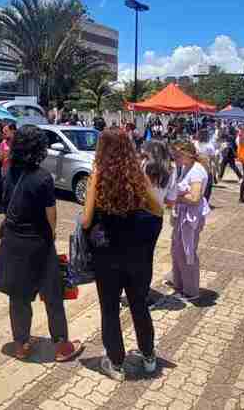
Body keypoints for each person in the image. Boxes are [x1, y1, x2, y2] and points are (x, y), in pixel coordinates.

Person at [0, 125, 85, 362]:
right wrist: (52, 235)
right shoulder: (43, 177)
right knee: (53, 295)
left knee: (19, 296)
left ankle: (21, 344)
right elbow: (50, 214)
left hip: (13, 241)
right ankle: (61, 346)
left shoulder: (10, 171)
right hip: (39, 243)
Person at [84, 129, 165, 381]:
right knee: (139, 304)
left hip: (108, 256)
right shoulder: (137, 177)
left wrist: (95, 181)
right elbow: (158, 211)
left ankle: (116, 364)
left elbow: (86, 221)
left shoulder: (96, 177)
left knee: (109, 308)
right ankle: (149, 357)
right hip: (137, 257)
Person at [166, 140, 209, 301]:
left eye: (177, 155)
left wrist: (177, 196)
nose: (174, 158)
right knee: (177, 249)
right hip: (183, 216)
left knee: (187, 251)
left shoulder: (196, 171)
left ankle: (190, 290)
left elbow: (195, 198)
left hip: (190, 218)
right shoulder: (186, 167)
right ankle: (180, 284)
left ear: (186, 154)